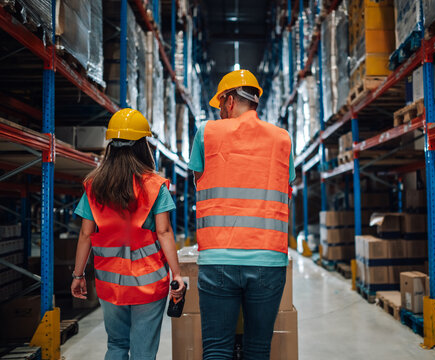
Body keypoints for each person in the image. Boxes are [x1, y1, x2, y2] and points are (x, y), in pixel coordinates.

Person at [188, 69, 295, 359]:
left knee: (216, 349)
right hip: (268, 260)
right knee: (258, 350)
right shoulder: (282, 139)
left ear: (231, 100)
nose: (220, 112)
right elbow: (286, 183)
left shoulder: (206, 133)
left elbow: (199, 176)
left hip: (217, 259)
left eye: (221, 105)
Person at [71, 108, 185, 360]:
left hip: (110, 284)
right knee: (143, 352)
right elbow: (164, 232)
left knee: (116, 346)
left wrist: (78, 275)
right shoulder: (155, 186)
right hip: (149, 284)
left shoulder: (93, 186)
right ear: (143, 146)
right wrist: (177, 275)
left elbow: (85, 235)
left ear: (111, 144)